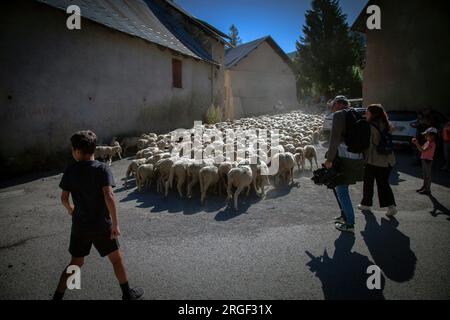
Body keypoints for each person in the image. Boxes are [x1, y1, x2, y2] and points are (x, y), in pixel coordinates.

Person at [53, 130, 144, 300]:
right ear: (94, 149)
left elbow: (64, 198)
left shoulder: (70, 170)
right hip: (102, 225)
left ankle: (58, 297)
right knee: (116, 259)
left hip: (80, 226)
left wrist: (71, 209)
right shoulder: (102, 169)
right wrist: (115, 224)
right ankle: (127, 294)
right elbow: (109, 196)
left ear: (77, 151)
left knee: (76, 263)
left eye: (73, 149)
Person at [325, 96, 365, 234]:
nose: (332, 107)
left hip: (344, 157)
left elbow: (334, 139)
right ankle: (345, 215)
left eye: (333, 104)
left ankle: (350, 224)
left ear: (337, 104)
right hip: (357, 156)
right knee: (343, 188)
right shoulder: (355, 113)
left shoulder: (339, 115)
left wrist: (329, 159)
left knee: (342, 190)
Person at [358, 104, 397, 217]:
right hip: (388, 159)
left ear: (373, 114)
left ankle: (366, 204)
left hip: (374, 159)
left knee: (369, 182)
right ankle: (391, 206)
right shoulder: (386, 124)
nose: (366, 115)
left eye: (368, 112)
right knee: (383, 183)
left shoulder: (370, 126)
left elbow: (368, 145)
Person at [412, 127, 438, 196]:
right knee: (424, 175)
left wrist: (416, 143)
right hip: (424, 160)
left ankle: (428, 190)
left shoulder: (432, 144)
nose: (425, 136)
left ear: (432, 136)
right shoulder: (427, 142)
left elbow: (423, 150)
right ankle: (424, 187)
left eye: (427, 135)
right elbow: (421, 149)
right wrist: (416, 143)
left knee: (428, 176)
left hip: (427, 161)